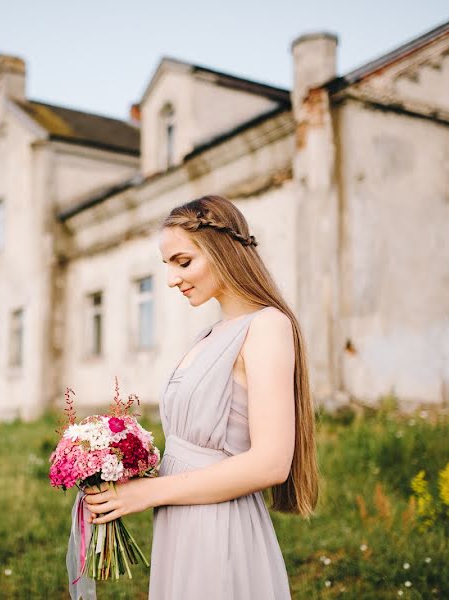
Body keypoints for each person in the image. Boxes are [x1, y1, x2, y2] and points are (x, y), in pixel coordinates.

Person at [80, 194, 319, 599]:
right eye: (168, 265)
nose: (172, 279)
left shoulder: (267, 326)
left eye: (183, 262)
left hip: (219, 526)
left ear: (223, 251)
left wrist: (147, 493)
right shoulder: (209, 335)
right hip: (179, 522)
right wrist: (119, 466)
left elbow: (271, 464)